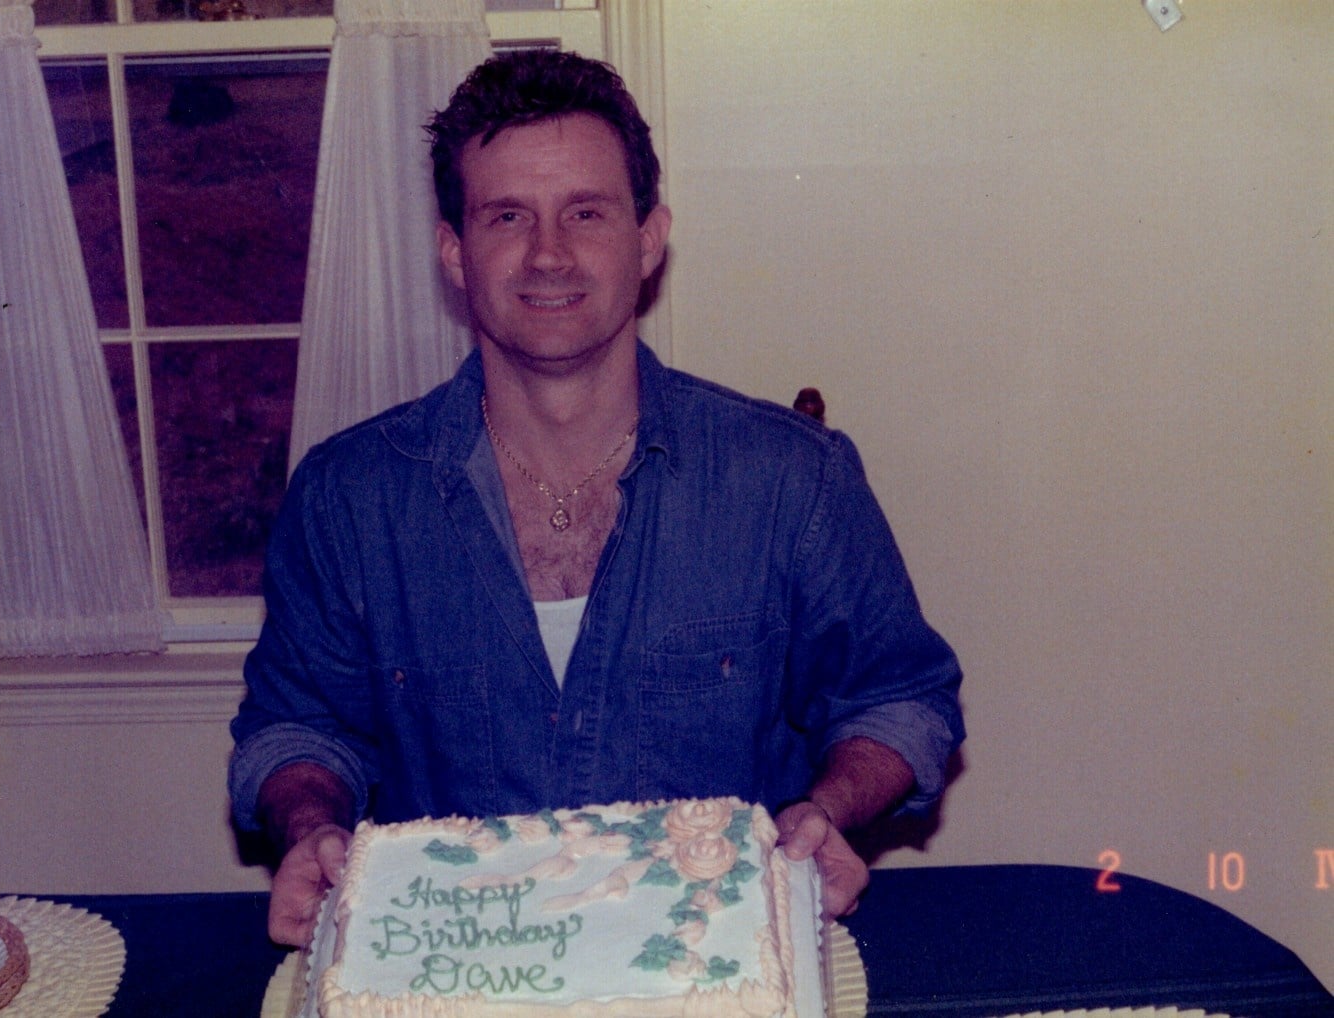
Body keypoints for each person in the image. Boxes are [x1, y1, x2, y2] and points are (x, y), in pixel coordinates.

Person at [229, 49, 964, 948]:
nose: (548, 254)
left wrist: (825, 811)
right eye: (507, 216)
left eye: (586, 211)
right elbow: (297, 724)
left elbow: (902, 700)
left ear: (648, 238)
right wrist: (312, 829)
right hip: (459, 974)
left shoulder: (790, 479)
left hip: (715, 962)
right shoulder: (348, 499)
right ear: (455, 251)